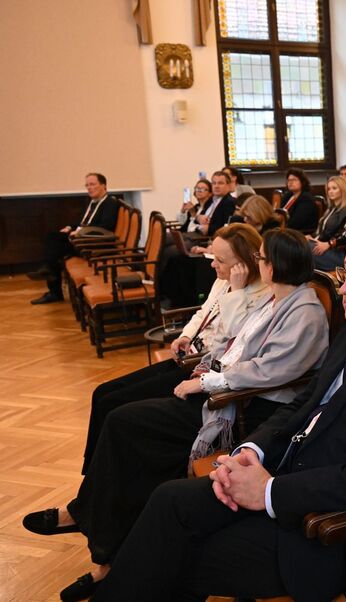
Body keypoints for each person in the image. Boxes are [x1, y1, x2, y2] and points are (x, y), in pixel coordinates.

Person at [86, 227, 346, 602]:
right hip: (288, 475)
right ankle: (113, 578)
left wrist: (268, 492)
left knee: (180, 554)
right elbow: (305, 403)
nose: (345, 288)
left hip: (337, 528)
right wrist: (251, 450)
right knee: (170, 500)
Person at [24, 229, 330, 601]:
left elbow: (270, 370)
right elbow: (235, 345)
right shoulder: (277, 299)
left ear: (277, 264)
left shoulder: (306, 310)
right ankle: (106, 545)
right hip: (228, 392)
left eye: (262, 257)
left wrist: (207, 382)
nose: (258, 263)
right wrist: (207, 368)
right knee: (123, 423)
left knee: (126, 428)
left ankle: (108, 552)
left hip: (248, 407)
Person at [79, 224, 270, 473]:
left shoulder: (259, 294)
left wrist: (238, 291)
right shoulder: (222, 281)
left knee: (115, 406)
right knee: (102, 393)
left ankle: (102, 474)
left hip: (202, 367)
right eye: (213, 256)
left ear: (243, 264)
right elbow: (203, 313)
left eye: (220, 260)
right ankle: (93, 470)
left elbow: (234, 340)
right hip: (190, 355)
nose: (213, 264)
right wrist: (186, 335)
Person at [29, 172, 120, 304]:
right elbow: (84, 223)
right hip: (83, 238)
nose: (89, 188)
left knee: (54, 248)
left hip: (94, 244)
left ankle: (54, 289)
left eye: (92, 184)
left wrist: (80, 232)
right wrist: (70, 227)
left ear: (103, 186)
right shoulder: (93, 202)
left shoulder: (110, 203)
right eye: (87, 185)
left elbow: (106, 226)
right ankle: (50, 276)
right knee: (52, 238)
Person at [185, 171, 237, 252]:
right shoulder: (210, 200)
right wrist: (198, 217)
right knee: (166, 240)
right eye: (214, 183)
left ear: (228, 185)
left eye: (220, 183)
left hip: (206, 239)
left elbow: (225, 227)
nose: (216, 186)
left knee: (171, 250)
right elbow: (197, 218)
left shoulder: (229, 202)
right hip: (195, 234)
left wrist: (208, 229)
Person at [309, 175, 346, 243]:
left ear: (342, 190)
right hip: (318, 240)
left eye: (334, 188)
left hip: (327, 244)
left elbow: (334, 234)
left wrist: (315, 240)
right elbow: (321, 230)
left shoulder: (345, 210)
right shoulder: (331, 208)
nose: (330, 191)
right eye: (329, 189)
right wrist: (311, 237)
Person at [281, 168, 318, 233]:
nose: (290, 182)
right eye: (289, 180)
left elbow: (296, 223)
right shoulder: (288, 196)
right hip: (286, 229)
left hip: (300, 233)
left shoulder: (306, 199)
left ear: (302, 182)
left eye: (294, 180)